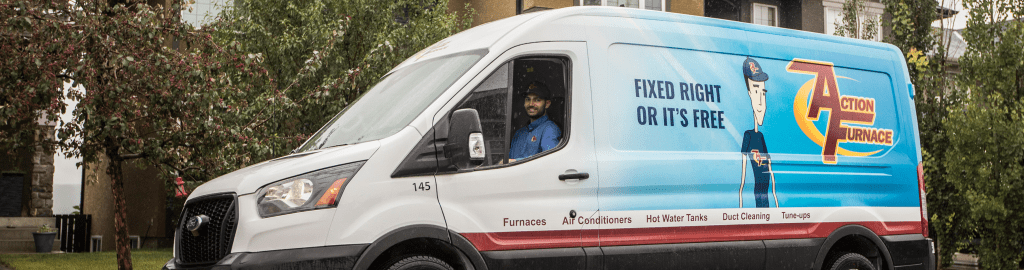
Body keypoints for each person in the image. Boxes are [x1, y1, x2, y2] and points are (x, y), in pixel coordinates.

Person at [739, 57, 779, 208]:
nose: (761, 101)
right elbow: (742, 180)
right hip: (757, 197)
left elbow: (770, 172)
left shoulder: (761, 136)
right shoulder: (748, 136)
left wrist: (775, 200)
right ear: (749, 94)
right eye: (756, 92)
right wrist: (741, 209)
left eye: (763, 92)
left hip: (767, 197)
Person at [508, 81, 561, 162]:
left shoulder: (550, 129)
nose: (531, 104)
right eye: (528, 99)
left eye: (537, 100)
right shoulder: (519, 134)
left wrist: (514, 162)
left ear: (547, 104)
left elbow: (550, 160)